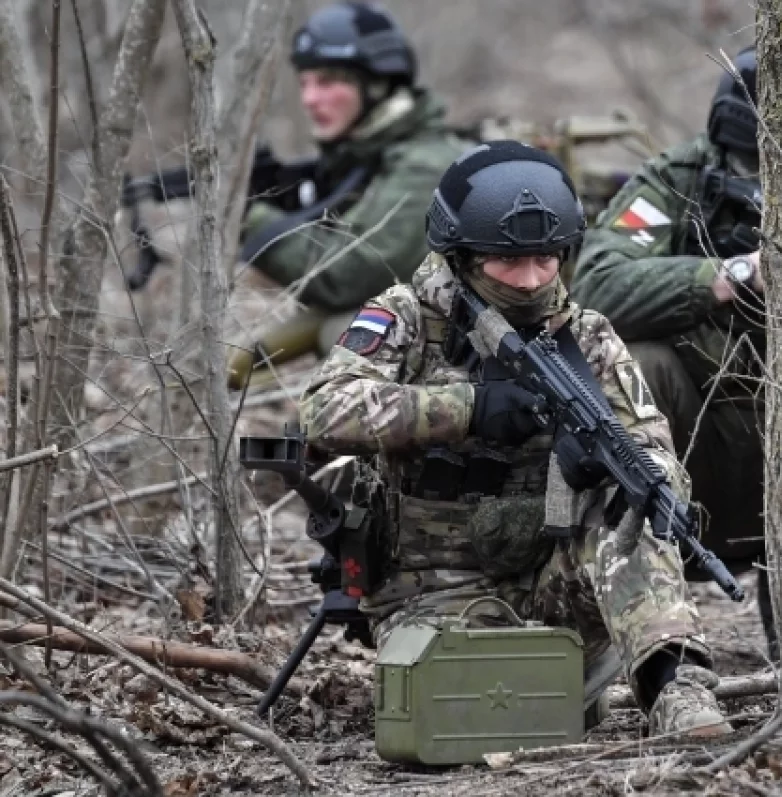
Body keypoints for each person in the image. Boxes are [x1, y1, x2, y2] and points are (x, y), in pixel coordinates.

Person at [299, 140, 733, 738]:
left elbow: (650, 441)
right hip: (434, 593)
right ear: (463, 256)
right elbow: (324, 410)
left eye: (546, 260)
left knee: (634, 509)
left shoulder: (587, 336)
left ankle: (677, 690)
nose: (530, 280)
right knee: (474, 718)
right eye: (508, 262)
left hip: (555, 584)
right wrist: (467, 409)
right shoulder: (405, 320)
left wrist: (613, 469)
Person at [571, 48, 782, 652]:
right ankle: (637, 616)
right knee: (641, 365)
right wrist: (732, 273)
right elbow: (595, 286)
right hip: (686, 449)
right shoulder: (674, 186)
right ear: (763, 155)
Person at [228, 1, 469, 389]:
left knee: (342, 329)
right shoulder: (369, 153)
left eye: (327, 82)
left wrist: (249, 218)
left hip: (466, 351)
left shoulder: (424, 164)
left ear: (376, 85)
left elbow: (347, 277)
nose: (308, 98)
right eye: (305, 82)